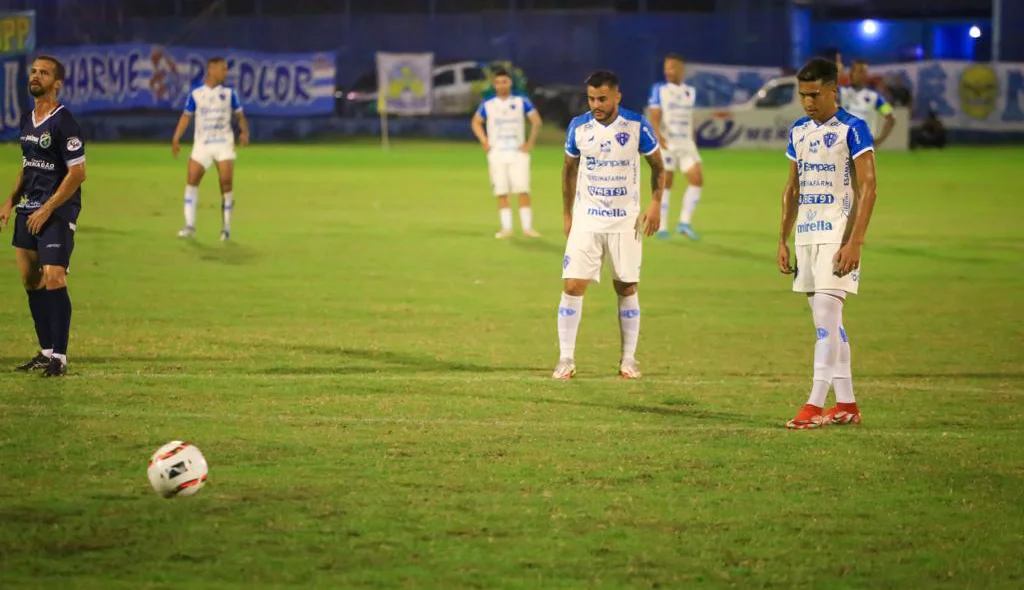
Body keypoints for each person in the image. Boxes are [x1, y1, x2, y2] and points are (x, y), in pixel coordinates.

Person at [777, 57, 878, 429]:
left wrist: (855, 242)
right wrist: (782, 239)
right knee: (828, 321)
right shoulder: (798, 131)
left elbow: (869, 187)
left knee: (825, 319)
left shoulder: (853, 128)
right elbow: (792, 188)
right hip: (806, 234)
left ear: (833, 90)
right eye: (803, 95)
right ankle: (847, 404)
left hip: (837, 235)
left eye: (815, 94)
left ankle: (815, 404)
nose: (808, 102)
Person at [554, 70, 664, 380]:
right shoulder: (579, 127)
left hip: (625, 221)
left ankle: (628, 360)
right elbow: (568, 172)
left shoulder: (635, 125)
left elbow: (658, 166)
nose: (596, 104)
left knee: (626, 286)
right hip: (587, 218)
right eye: (591, 99)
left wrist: (655, 203)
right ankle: (565, 359)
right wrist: (567, 214)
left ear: (617, 96)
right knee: (573, 285)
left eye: (602, 98)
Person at [0, 56, 86, 377]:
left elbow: (77, 173)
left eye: (44, 73)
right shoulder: (27, 119)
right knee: (30, 280)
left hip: (56, 211)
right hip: (27, 210)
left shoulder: (64, 122)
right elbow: (28, 165)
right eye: (34, 71)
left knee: (54, 277)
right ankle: (46, 350)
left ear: (57, 82)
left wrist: (47, 208)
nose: (36, 76)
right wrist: (10, 201)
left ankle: (60, 358)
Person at [172, 57, 250, 241]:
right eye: (223, 69)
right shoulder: (196, 93)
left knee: (226, 183)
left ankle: (226, 229)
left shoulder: (230, 94)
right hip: (202, 144)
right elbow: (186, 117)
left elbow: (240, 115)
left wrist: (244, 131)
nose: (225, 72)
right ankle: (190, 226)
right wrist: (176, 138)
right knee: (191, 181)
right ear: (211, 69)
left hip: (223, 143)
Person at [470, 69, 543, 238]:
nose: (502, 85)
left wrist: (529, 143)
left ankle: (527, 228)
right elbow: (476, 122)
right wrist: (484, 141)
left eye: (505, 81)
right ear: (494, 85)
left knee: (522, 188)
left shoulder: (520, 101)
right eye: (498, 82)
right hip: (497, 153)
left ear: (510, 83)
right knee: (501, 190)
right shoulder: (488, 104)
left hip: (518, 152)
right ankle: (506, 228)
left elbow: (536, 121)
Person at [647, 54, 703, 240]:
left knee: (697, 179)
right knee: (666, 182)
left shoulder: (690, 92)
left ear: (681, 69)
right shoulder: (659, 90)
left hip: (686, 144)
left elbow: (690, 118)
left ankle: (684, 224)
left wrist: (693, 138)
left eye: (671, 67)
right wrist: (658, 136)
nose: (667, 71)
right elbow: (654, 116)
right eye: (666, 67)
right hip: (668, 144)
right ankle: (662, 227)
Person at [837, 57, 895, 146]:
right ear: (852, 73)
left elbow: (891, 117)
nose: (864, 74)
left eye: (865, 72)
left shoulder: (875, 97)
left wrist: (879, 140)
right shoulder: (841, 92)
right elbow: (824, 95)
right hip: (843, 144)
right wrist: (835, 75)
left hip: (864, 146)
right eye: (860, 71)